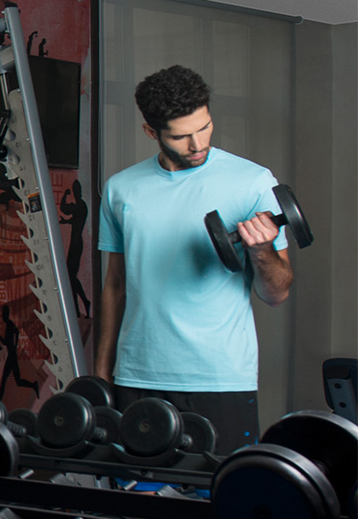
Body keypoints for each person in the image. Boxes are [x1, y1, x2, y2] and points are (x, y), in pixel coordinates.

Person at [95, 64, 291, 452]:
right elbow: (115, 286)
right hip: (138, 375)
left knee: (220, 501)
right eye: (181, 136)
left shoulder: (252, 182)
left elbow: (276, 293)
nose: (198, 144)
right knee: (142, 501)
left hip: (220, 377)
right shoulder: (121, 189)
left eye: (204, 127)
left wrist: (261, 249)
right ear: (151, 132)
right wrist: (102, 372)